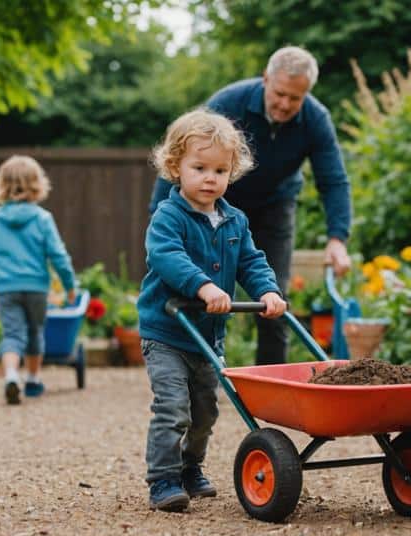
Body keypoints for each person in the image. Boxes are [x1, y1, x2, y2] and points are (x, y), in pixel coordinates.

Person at [149, 45, 351, 366]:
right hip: (218, 203)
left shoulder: (316, 119)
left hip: (275, 206)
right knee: (196, 283)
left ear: (307, 94)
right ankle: (183, 366)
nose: (285, 104)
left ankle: (271, 386)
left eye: (295, 99)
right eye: (280, 93)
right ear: (266, 78)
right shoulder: (229, 104)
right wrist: (160, 217)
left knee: (273, 296)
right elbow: (182, 153)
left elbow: (333, 180)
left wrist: (337, 238)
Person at [138, 109, 287, 512]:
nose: (210, 178)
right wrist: (202, 285)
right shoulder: (169, 217)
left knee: (205, 411)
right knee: (173, 408)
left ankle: (191, 467)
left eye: (220, 170)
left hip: (207, 337)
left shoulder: (235, 220)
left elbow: (251, 262)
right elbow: (166, 257)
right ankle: (163, 479)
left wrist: (268, 292)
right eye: (200, 167)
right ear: (175, 167)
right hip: (167, 333)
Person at [0, 155, 76, 405]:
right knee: (35, 332)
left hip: (7, 288)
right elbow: (58, 255)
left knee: (12, 334)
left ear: (2, 185)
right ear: (37, 184)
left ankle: (10, 375)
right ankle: (32, 379)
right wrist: (69, 285)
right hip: (36, 288)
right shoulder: (42, 219)